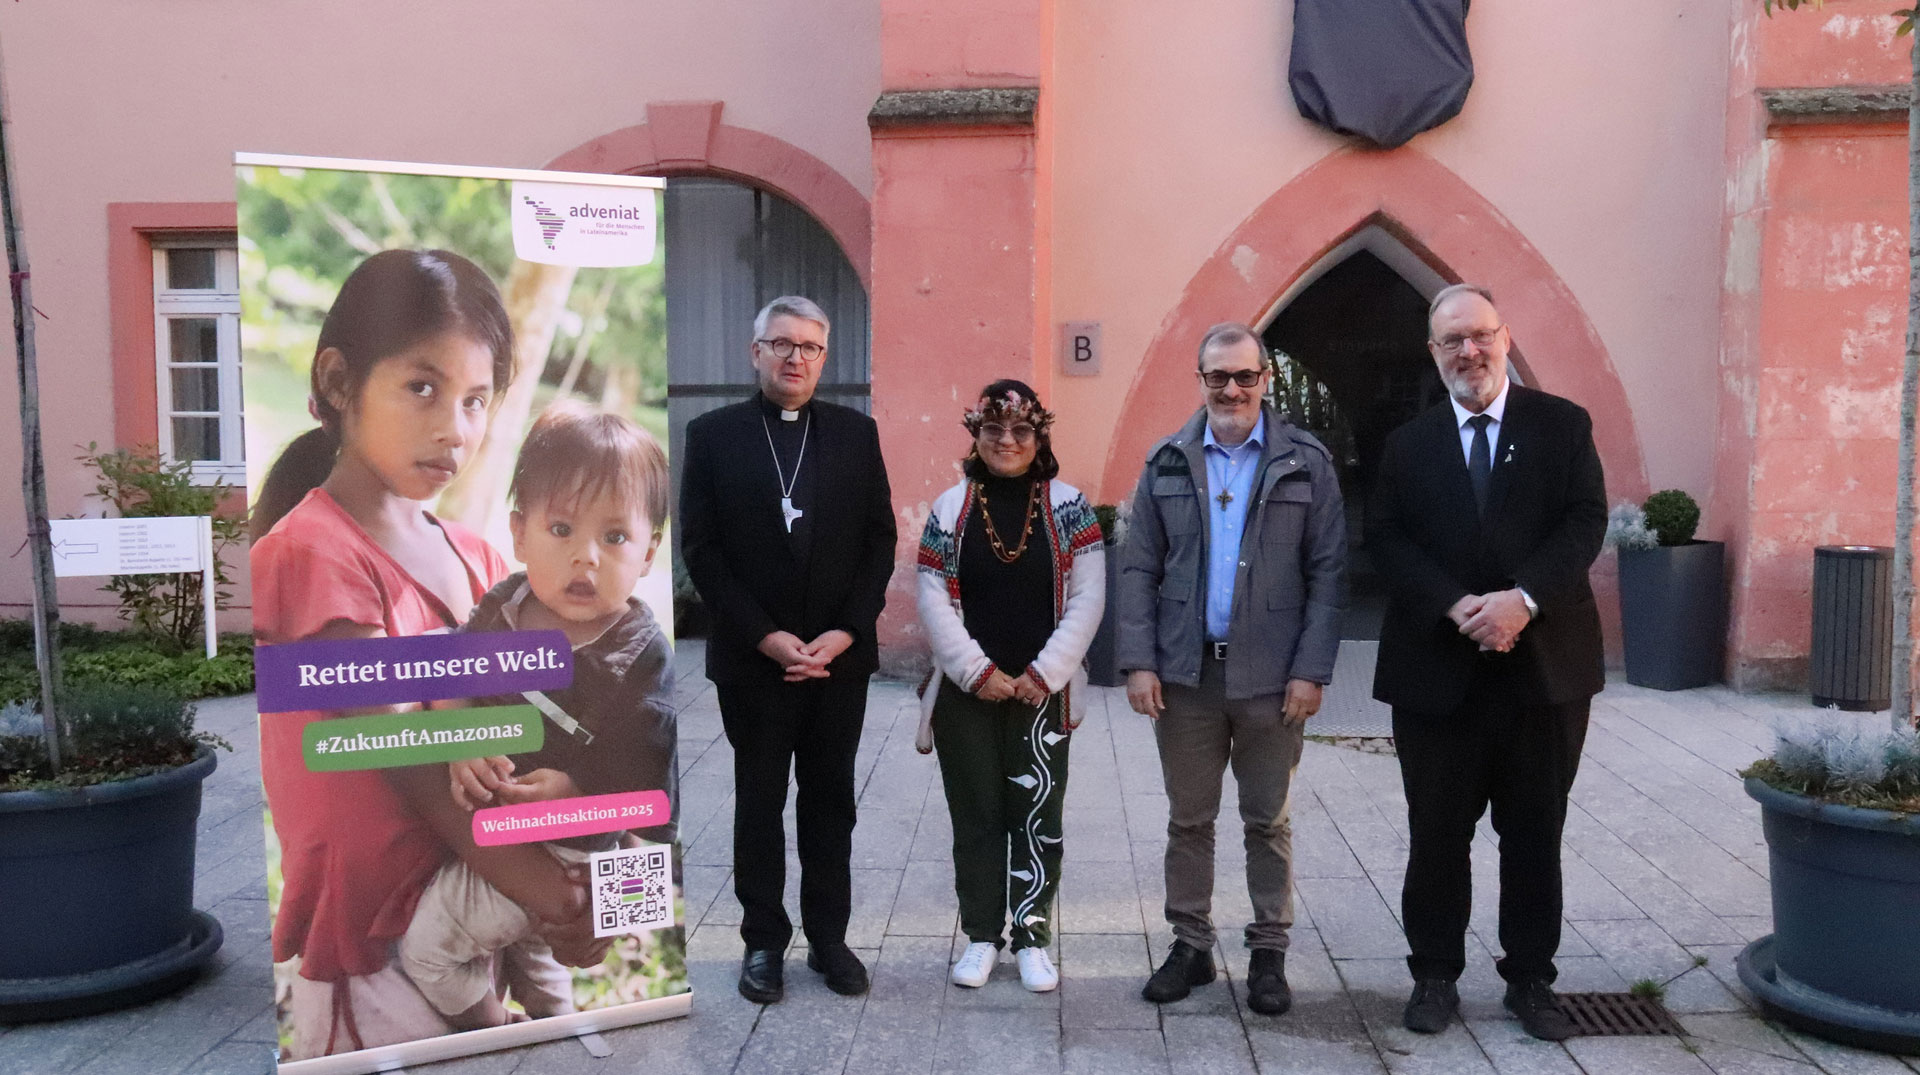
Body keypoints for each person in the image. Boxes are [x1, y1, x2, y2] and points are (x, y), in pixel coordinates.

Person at [252, 250, 603, 1058]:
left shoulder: (479, 558)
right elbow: (411, 753)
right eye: (424, 388)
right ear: (340, 382)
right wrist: (551, 895)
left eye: (477, 400)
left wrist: (580, 895)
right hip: (374, 944)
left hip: (476, 903)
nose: (457, 427)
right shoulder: (310, 552)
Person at [1368, 283, 1605, 1041]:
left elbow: (1585, 520)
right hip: (1439, 672)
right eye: (1451, 342)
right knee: (1437, 830)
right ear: (1433, 355)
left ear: (1505, 336)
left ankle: (1531, 979)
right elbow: (1389, 537)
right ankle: (1434, 975)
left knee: (1535, 830)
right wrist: (1456, 604)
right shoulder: (1409, 444)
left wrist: (1522, 599)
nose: (1468, 351)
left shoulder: (1563, 425)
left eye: (1479, 335)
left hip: (1543, 673)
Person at [396, 402, 678, 1029]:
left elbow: (655, 799)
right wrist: (461, 740)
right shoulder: (505, 603)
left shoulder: (640, 661)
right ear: (520, 534)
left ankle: (493, 1034)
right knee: (533, 955)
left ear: (649, 552)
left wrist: (578, 795)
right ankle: (554, 1027)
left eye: (614, 537)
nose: (587, 558)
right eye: (562, 531)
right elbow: (453, 676)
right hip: (503, 844)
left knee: (428, 953)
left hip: (564, 858)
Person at [1116, 322, 1346, 1016]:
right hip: (1186, 676)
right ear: (1202, 380)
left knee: (1266, 819)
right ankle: (1190, 946)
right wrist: (1137, 661)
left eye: (1245, 375)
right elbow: (1138, 566)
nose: (1232, 388)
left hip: (1273, 678)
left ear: (1265, 380)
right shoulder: (1165, 461)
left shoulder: (1306, 462)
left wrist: (1312, 669)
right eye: (1218, 376)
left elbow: (1329, 573)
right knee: (1189, 819)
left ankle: (1268, 952)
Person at [680, 295, 896, 1004]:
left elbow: (879, 541)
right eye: (781, 344)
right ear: (756, 353)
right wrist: (767, 637)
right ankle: (763, 943)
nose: (796, 357)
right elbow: (702, 551)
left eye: (809, 346)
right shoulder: (714, 435)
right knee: (760, 802)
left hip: (838, 662)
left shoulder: (855, 434)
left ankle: (829, 939)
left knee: (832, 802)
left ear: (824, 357)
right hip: (754, 661)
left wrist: (846, 630)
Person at [913, 380, 1105, 993]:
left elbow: (1089, 599)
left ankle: (1032, 938)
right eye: (994, 430)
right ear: (976, 434)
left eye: (1021, 431)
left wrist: (1043, 674)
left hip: (1043, 696)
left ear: (1039, 436)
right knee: (975, 815)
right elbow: (932, 596)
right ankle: (979, 936)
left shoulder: (1071, 507)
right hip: (968, 697)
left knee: (1038, 816)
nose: (1007, 441)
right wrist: (978, 673)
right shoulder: (950, 508)